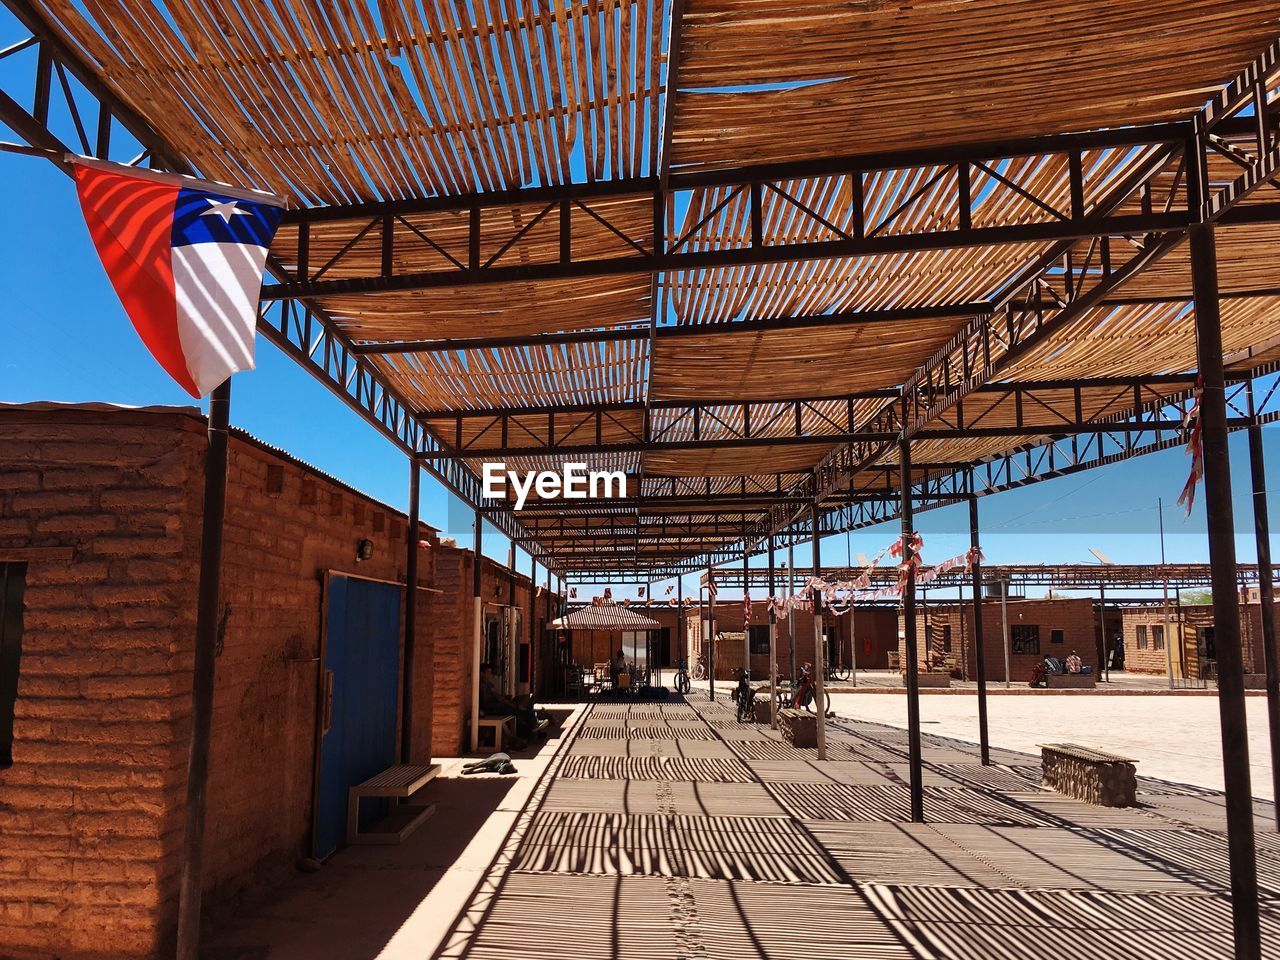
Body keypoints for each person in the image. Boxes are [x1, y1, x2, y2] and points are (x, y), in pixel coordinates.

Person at [478, 663, 548, 744]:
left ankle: (534, 727)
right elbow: (492, 701)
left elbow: (498, 696)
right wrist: (509, 704)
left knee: (524, 706)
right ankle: (532, 729)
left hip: (498, 706)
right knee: (519, 712)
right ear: (481, 673)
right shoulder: (481, 686)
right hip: (492, 709)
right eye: (487, 672)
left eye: (490, 672)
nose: (489, 675)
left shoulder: (489, 684)